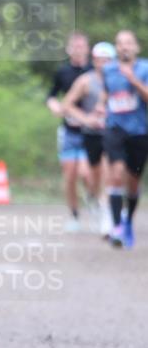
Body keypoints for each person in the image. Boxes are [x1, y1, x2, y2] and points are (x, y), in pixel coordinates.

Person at [99, 30, 148, 249]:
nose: (124, 47)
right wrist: (102, 104)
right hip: (115, 128)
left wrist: (133, 80)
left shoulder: (145, 68)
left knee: (133, 184)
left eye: (128, 43)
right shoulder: (108, 70)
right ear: (116, 48)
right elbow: (107, 93)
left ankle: (128, 221)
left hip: (139, 131)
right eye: (120, 43)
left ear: (136, 47)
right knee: (116, 175)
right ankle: (117, 226)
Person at [61, 42, 116, 238]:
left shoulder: (120, 79)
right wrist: (87, 119)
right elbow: (66, 104)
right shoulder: (86, 81)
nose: (103, 64)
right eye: (100, 60)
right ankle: (93, 197)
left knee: (110, 174)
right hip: (90, 135)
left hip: (113, 134)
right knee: (92, 177)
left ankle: (108, 217)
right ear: (94, 61)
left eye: (107, 60)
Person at [46, 32, 92, 231]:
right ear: (68, 49)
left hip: (91, 132)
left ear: (87, 49)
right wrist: (54, 106)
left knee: (87, 173)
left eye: (81, 46)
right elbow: (51, 95)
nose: (78, 50)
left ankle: (94, 199)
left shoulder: (94, 71)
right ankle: (74, 215)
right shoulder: (62, 72)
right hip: (68, 131)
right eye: (74, 46)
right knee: (70, 176)